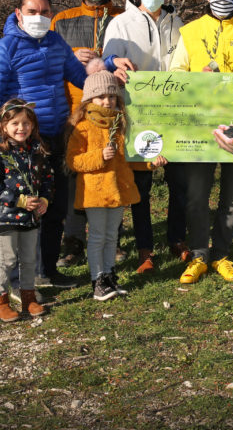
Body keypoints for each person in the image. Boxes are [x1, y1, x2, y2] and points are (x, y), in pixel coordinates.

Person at [0, 0, 87, 290]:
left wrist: (112, 66)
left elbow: (81, 76)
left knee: (53, 206)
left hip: (57, 137)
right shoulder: (4, 49)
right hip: (22, 144)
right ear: (18, 14)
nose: (39, 17)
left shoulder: (55, 42)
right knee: (26, 211)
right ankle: (25, 281)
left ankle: (47, 272)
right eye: (32, 12)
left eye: (45, 12)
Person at [169, 0, 233, 283]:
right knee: (197, 196)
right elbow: (175, 74)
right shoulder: (190, 31)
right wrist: (197, 81)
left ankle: (222, 254)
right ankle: (198, 255)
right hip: (200, 127)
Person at [103, 0, 190, 273]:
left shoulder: (177, 22)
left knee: (179, 182)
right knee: (141, 186)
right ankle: (144, 249)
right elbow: (107, 59)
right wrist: (114, 63)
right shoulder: (121, 23)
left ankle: (177, 238)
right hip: (137, 115)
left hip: (174, 113)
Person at [65, 71, 166, 300]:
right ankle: (97, 279)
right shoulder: (82, 127)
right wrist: (99, 155)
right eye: (101, 97)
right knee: (98, 236)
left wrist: (151, 164)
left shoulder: (122, 124)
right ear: (90, 99)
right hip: (95, 192)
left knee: (112, 236)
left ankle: (110, 275)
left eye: (111, 96)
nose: (107, 101)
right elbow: (73, 161)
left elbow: (133, 157)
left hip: (118, 191)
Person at [52, 0, 125, 268]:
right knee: (73, 177)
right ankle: (73, 241)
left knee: (110, 170)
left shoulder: (121, 18)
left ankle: (113, 237)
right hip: (74, 110)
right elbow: (49, 58)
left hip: (110, 110)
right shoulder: (62, 19)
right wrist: (70, 55)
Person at [0, 99, 53, 321]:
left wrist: (44, 200)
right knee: (8, 258)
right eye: (15, 123)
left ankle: (28, 296)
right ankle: (0, 300)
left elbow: (47, 180)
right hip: (6, 217)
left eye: (26, 123)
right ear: (4, 127)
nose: (21, 128)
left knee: (29, 258)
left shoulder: (37, 151)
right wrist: (19, 201)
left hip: (30, 217)